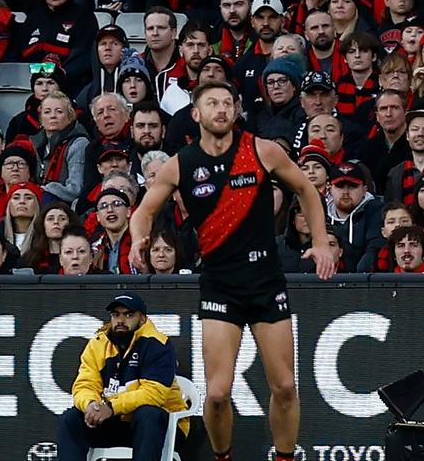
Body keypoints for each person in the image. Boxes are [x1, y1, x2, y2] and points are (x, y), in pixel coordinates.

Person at [128, 81, 340, 461]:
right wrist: (138, 240)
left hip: (265, 280)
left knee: (286, 387)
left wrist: (322, 242)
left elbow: (307, 190)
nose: (221, 109)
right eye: (212, 103)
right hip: (220, 284)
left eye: (228, 102)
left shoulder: (262, 150)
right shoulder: (182, 163)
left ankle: (285, 457)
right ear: (196, 114)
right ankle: (223, 456)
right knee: (217, 392)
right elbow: (143, 210)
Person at [57, 292, 190, 461]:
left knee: (148, 413)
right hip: (115, 422)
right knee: (71, 418)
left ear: (142, 319)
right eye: (115, 315)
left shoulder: (158, 344)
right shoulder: (98, 344)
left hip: (164, 428)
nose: (120, 320)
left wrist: (111, 407)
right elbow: (85, 384)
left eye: (128, 315)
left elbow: (154, 394)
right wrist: (91, 405)